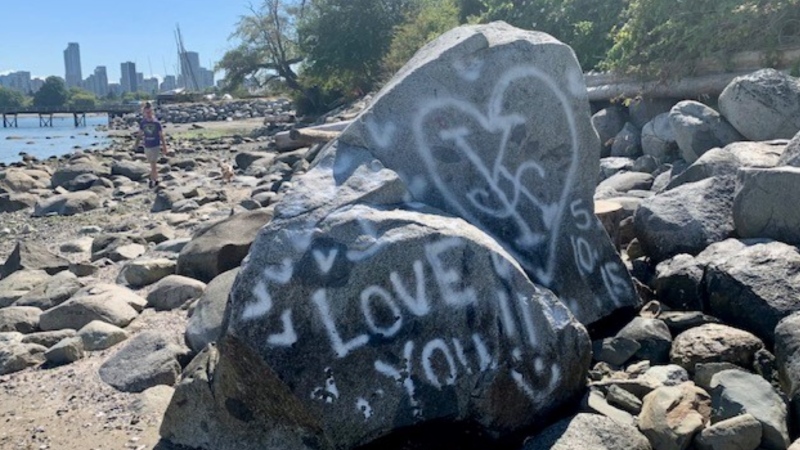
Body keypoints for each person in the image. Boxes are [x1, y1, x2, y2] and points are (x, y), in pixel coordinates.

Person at [134, 102, 167, 188]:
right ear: (144, 113)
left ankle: (153, 180)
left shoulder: (156, 123)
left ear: (152, 112)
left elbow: (161, 135)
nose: (148, 114)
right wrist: (136, 144)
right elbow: (140, 135)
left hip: (155, 145)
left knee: (153, 163)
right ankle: (155, 178)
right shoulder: (143, 123)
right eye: (146, 112)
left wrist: (164, 147)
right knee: (151, 163)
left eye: (149, 112)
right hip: (147, 145)